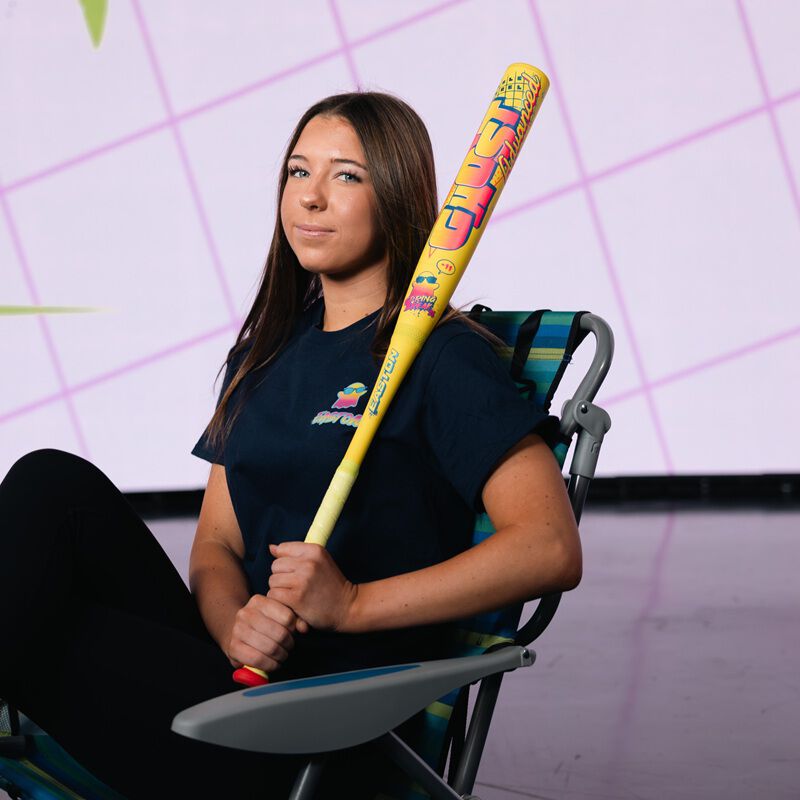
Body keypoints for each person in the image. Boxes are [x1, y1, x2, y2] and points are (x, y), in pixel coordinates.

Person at [0, 91, 581, 800]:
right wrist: (232, 625)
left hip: (319, 724)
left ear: (396, 196)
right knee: (51, 484)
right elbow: (216, 543)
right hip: (234, 679)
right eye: (298, 171)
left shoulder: (443, 358)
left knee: (42, 625)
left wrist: (353, 603)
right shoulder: (266, 353)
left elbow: (550, 546)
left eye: (346, 175)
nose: (310, 196)